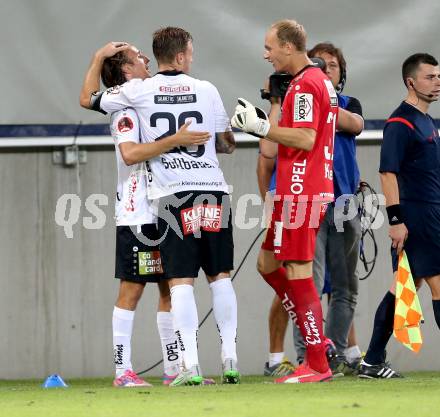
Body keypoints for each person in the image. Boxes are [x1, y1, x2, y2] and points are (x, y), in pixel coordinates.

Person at [80, 28, 239, 386]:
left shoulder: (143, 97)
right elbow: (131, 153)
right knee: (133, 288)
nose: (145, 60)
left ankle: (176, 368)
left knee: (170, 286)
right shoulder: (125, 111)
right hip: (137, 211)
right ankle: (123, 370)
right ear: (124, 70)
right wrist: (176, 140)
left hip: (164, 205)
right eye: (137, 57)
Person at [232, 19, 338, 383]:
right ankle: (316, 341)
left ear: (289, 47)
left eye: (270, 47)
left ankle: (317, 361)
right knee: (267, 263)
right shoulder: (304, 83)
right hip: (293, 189)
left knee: (297, 270)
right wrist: (266, 119)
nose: (266, 54)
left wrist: (260, 126)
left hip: (301, 189)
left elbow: (306, 139)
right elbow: (280, 143)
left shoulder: (308, 84)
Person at [358, 53, 440, 378]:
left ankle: (372, 360)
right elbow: (387, 173)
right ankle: (372, 359)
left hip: (430, 212)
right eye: (430, 77)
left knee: (403, 288)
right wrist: (395, 221)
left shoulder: (425, 121)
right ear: (411, 82)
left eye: (438, 76)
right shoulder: (399, 123)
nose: (437, 82)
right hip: (417, 217)